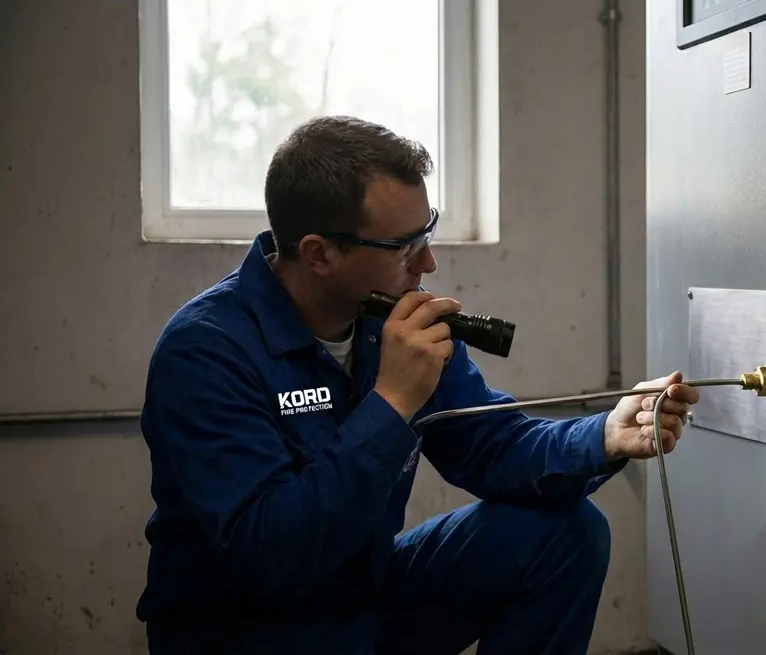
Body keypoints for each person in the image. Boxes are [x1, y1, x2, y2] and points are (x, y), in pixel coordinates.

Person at [134, 114, 701, 655]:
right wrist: (391, 402)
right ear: (319, 253)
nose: (427, 263)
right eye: (404, 247)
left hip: (363, 597)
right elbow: (275, 556)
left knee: (567, 533)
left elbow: (492, 446)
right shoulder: (205, 351)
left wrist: (604, 435)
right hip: (250, 632)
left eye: (426, 234)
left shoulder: (389, 325)